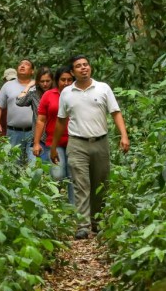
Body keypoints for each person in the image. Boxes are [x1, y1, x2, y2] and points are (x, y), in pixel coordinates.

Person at [50, 55, 129, 239]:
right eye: (78, 66)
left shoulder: (103, 88)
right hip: (77, 143)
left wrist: (123, 135)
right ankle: (83, 226)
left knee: (101, 183)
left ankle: (97, 222)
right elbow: (61, 122)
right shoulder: (67, 93)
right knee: (81, 184)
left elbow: (115, 113)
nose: (83, 68)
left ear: (90, 67)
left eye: (86, 65)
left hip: (100, 141)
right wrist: (53, 147)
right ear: (72, 72)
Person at [33, 65, 75, 203]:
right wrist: (37, 143)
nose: (66, 83)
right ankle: (55, 204)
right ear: (57, 81)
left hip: (75, 141)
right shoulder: (48, 95)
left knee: (74, 177)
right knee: (58, 174)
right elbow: (40, 120)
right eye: (63, 80)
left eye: (69, 79)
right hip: (54, 142)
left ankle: (74, 208)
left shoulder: (77, 94)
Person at [0, 60, 34, 162]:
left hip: (34, 131)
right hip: (13, 132)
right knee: (14, 164)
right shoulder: (8, 86)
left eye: (27, 65)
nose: (22, 66)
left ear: (32, 71)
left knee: (34, 164)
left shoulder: (37, 85)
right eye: (20, 64)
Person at [16, 66, 54, 163]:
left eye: (47, 81)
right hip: (40, 138)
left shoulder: (57, 93)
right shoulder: (34, 94)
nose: (45, 84)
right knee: (42, 168)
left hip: (55, 136)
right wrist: (28, 86)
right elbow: (19, 101)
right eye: (42, 81)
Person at [0, 68, 18, 136]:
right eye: (9, 80)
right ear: (5, 81)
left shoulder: (23, 91)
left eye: (13, 80)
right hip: (4, 130)